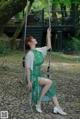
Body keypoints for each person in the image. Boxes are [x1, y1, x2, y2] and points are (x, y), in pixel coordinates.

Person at [25, 28, 67, 115]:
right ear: (29, 43)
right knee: (49, 82)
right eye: (33, 38)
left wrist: (48, 34)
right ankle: (38, 103)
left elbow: (49, 47)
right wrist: (29, 81)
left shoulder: (38, 50)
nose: (35, 39)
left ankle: (57, 107)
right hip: (32, 77)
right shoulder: (29, 54)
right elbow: (28, 69)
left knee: (51, 86)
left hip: (38, 75)